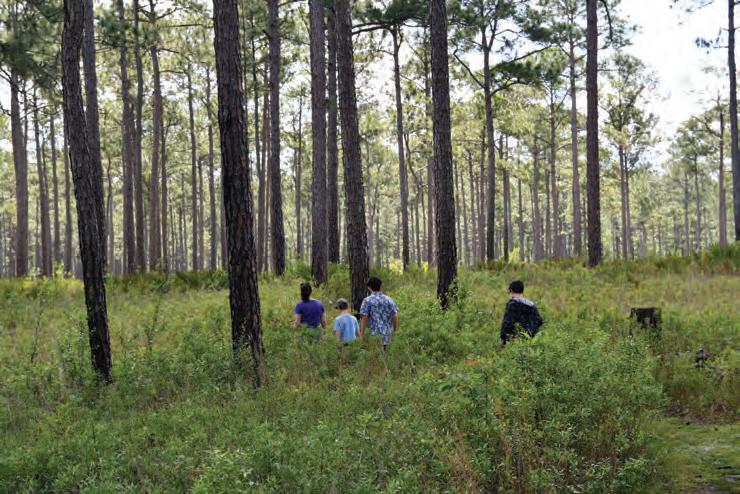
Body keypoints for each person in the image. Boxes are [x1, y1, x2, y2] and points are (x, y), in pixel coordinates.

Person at [499, 280, 543, 348]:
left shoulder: (512, 305)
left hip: (514, 341)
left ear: (511, 290)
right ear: (522, 290)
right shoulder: (531, 305)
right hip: (530, 341)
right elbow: (539, 321)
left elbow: (507, 323)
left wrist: (502, 338)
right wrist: (531, 332)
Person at [359, 277, 399, 349]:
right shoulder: (389, 299)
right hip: (388, 335)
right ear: (380, 286)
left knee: (376, 355)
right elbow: (394, 316)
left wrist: (362, 334)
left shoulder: (367, 300)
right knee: (387, 354)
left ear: (369, 287)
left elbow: (364, 318)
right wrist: (395, 331)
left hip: (374, 336)